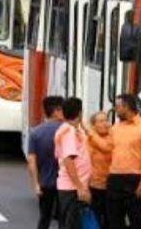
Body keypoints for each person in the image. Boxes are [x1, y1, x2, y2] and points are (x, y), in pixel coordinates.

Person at [105, 94, 141, 229]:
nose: (115, 109)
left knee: (136, 220)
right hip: (114, 179)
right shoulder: (115, 128)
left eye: (117, 106)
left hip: (134, 180)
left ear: (126, 107)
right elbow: (108, 152)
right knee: (114, 221)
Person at [26, 96, 65, 229]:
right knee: (64, 219)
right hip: (65, 183)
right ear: (57, 111)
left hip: (45, 182)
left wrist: (36, 184)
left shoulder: (36, 133)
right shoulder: (67, 131)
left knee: (45, 217)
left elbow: (31, 161)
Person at [54, 97, 92, 229]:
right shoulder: (68, 132)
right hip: (72, 188)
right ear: (80, 113)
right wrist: (80, 187)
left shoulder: (73, 130)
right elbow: (68, 160)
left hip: (73, 187)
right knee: (71, 225)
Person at [84, 111, 113, 229]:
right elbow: (85, 166)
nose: (105, 124)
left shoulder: (112, 137)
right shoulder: (88, 141)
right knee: (95, 218)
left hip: (111, 185)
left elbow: (106, 147)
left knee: (110, 218)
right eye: (100, 121)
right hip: (94, 185)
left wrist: (90, 133)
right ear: (93, 125)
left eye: (106, 120)